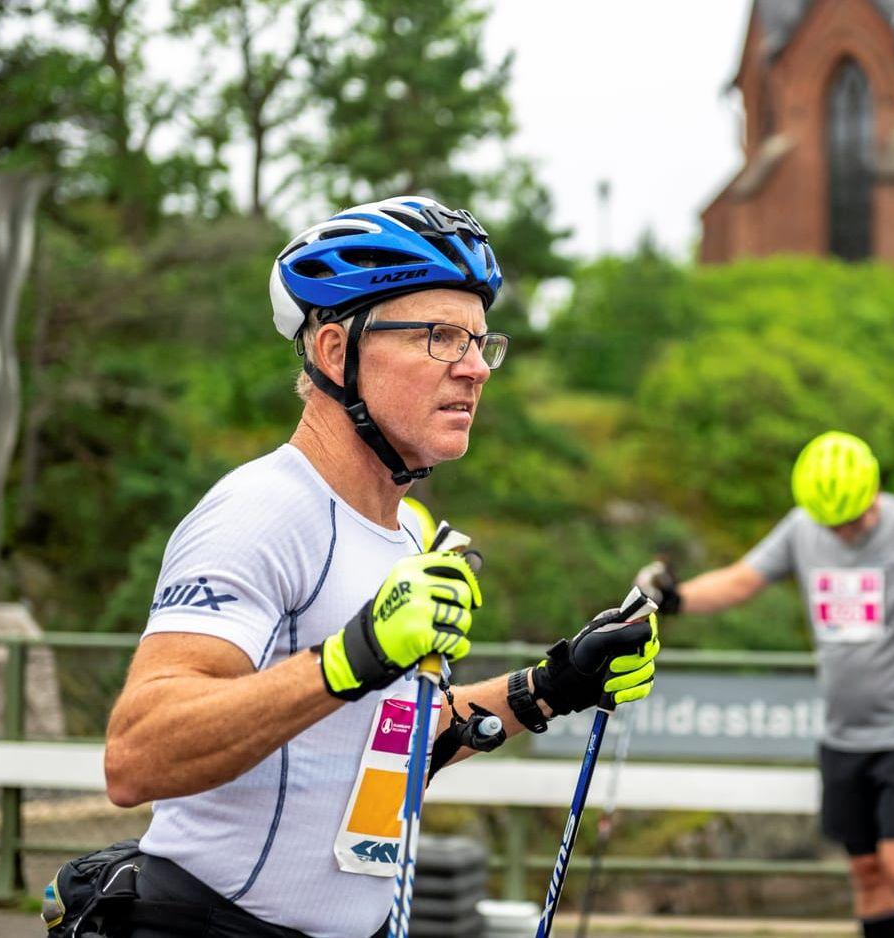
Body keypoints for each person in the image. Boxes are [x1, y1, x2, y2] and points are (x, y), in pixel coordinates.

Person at [99, 196, 660, 938]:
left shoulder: (402, 537)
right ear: (336, 351)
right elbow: (137, 756)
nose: (473, 369)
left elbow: (376, 747)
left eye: (481, 342)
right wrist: (354, 654)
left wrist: (550, 686)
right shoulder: (264, 509)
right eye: (439, 337)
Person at [634, 430, 894, 938]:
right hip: (844, 735)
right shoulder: (803, 527)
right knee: (867, 874)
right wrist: (674, 600)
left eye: (852, 520)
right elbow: (741, 580)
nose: (841, 532)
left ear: (872, 496)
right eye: (831, 523)